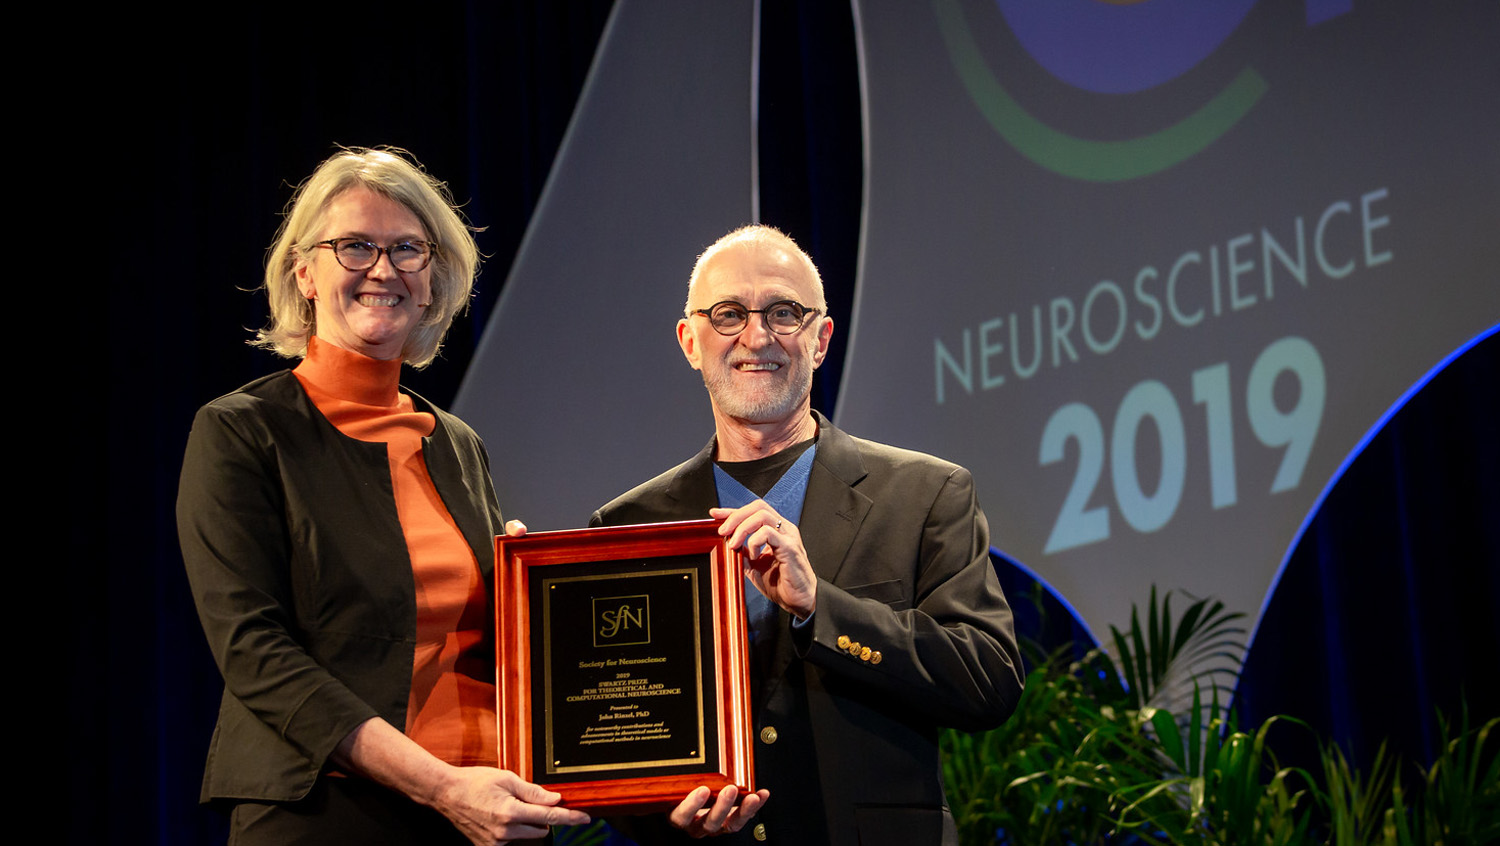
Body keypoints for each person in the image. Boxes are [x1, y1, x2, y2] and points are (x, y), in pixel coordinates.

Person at [178, 147, 589, 845]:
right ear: (305, 272)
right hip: (328, 812)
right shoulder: (242, 433)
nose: (383, 268)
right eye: (354, 246)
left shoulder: (455, 442)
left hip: (487, 813)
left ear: (432, 282)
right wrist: (440, 786)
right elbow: (255, 653)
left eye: (408, 249)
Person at [590, 225, 1024, 845]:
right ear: (691, 340)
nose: (757, 335)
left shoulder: (926, 493)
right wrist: (660, 813)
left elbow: (990, 679)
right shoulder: (629, 526)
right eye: (729, 313)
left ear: (820, 340)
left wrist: (822, 607)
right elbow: (610, 731)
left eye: (784, 313)